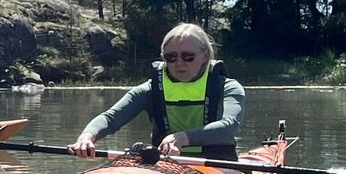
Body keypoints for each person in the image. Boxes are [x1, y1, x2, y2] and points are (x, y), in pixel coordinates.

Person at [68, 23, 245, 162]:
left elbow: (228, 126)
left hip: (218, 162)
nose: (179, 63)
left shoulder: (228, 87)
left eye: (188, 56)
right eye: (171, 57)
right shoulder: (151, 88)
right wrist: (87, 136)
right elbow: (111, 118)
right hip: (165, 163)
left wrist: (180, 138)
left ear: (205, 56)